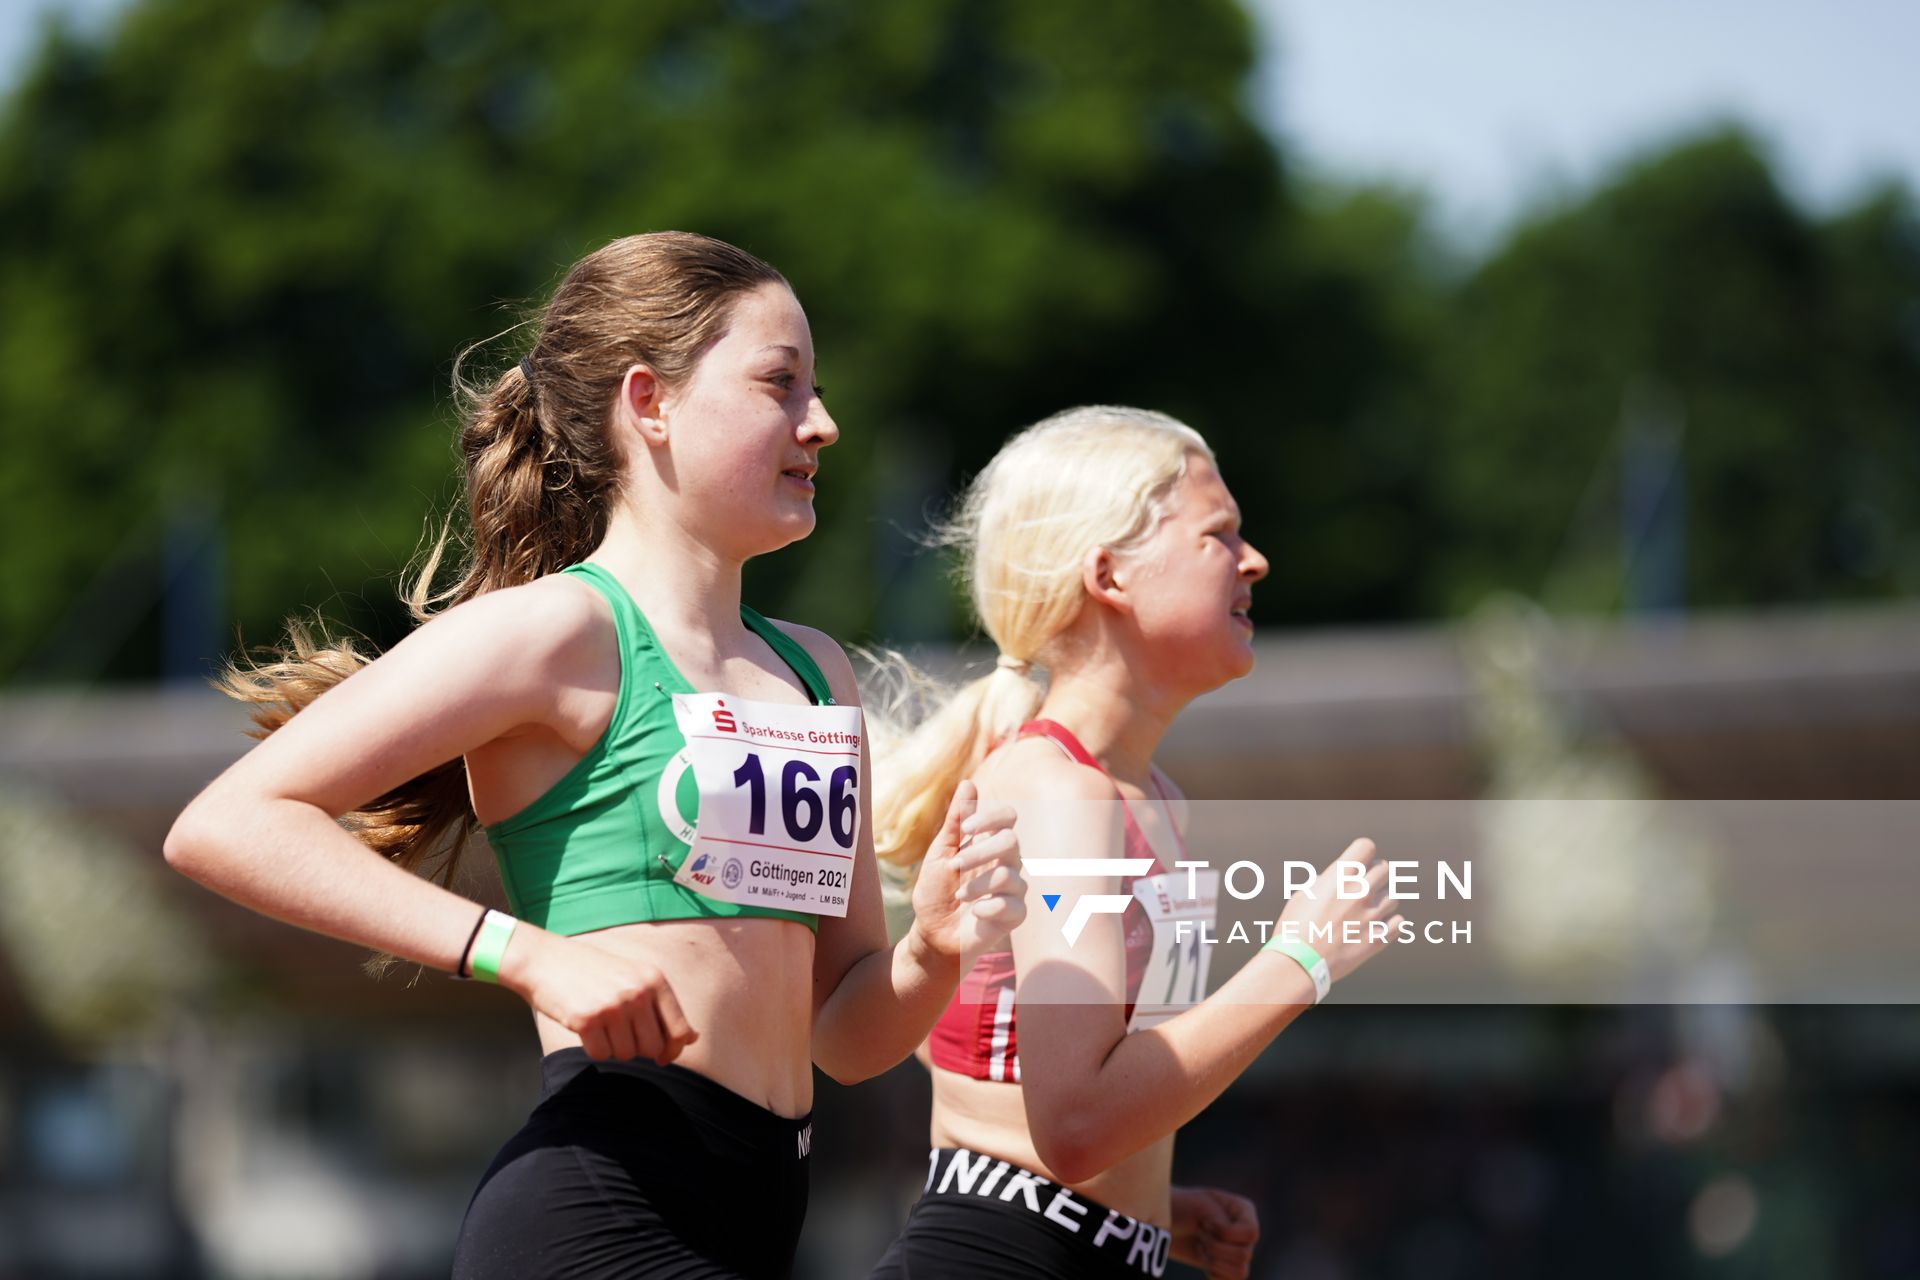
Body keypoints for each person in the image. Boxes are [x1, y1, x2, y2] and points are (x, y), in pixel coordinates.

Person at [162, 231, 1026, 1280]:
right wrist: (526, 953)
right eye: (780, 384)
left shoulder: (816, 675)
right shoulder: (557, 633)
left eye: (817, 388)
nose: (823, 423)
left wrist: (932, 942)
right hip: (599, 1208)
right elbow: (226, 822)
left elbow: (842, 1034)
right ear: (649, 402)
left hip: (760, 1212)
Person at [867, 406, 1402, 1280]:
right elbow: (1074, 1127)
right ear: (1109, 573)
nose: (1254, 559)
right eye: (1219, 534)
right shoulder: (1056, 790)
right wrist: (1301, 959)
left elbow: (1031, 1095)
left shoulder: (1149, 799)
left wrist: (1154, 1214)